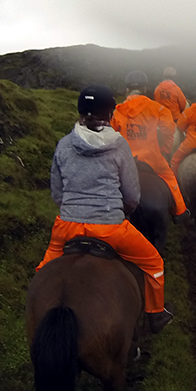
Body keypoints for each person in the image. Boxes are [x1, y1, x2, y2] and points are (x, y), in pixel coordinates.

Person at [36, 85, 173, 333]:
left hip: (66, 228)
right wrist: (124, 210)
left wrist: (73, 209)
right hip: (110, 229)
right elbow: (132, 195)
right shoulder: (120, 146)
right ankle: (155, 315)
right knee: (154, 263)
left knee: (42, 275)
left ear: (80, 111)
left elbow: (57, 192)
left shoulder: (64, 145)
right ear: (110, 114)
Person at [111, 70, 190, 221]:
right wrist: (165, 150)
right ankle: (180, 211)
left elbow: (111, 135)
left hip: (125, 161)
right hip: (152, 158)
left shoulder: (117, 111)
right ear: (145, 89)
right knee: (168, 176)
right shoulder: (158, 109)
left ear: (127, 90)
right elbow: (168, 130)